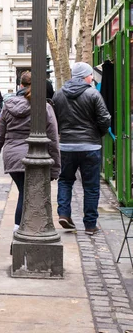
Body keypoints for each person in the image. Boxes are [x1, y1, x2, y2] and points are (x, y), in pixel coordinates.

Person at [0, 71, 60, 231]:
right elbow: (53, 139)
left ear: (20, 85)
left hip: (12, 156)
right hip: (35, 157)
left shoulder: (8, 106)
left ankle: (23, 230)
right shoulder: (44, 107)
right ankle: (20, 232)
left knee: (25, 193)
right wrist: (55, 168)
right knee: (27, 195)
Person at [53, 62, 111, 235]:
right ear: (85, 76)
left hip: (67, 146)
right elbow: (105, 119)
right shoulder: (93, 94)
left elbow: (54, 120)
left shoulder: (59, 95)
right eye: (90, 75)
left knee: (65, 181)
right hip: (90, 146)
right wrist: (97, 134)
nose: (92, 78)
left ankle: (64, 214)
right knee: (91, 187)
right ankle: (90, 225)